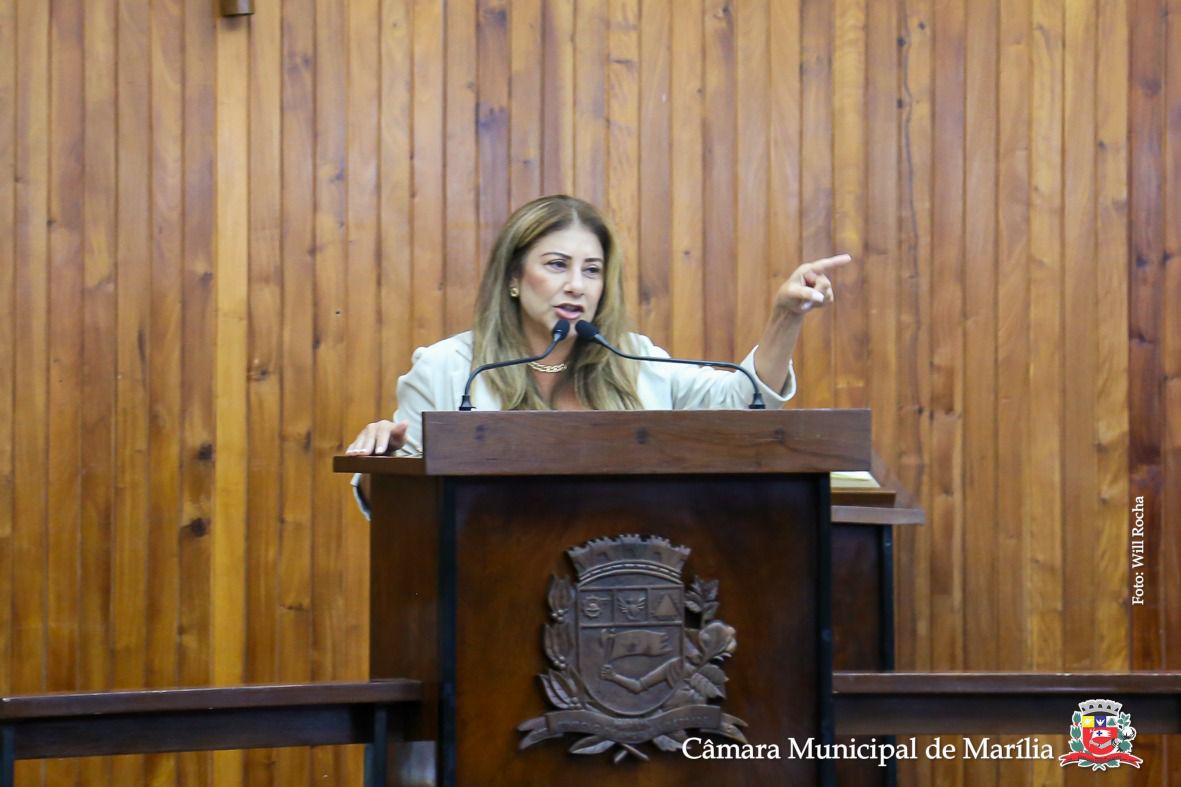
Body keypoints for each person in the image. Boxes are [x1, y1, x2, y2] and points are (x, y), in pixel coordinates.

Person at [346, 195, 849, 512]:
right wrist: (382, 465)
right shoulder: (447, 368)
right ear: (515, 279)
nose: (576, 285)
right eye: (557, 265)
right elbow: (396, 511)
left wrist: (785, 317)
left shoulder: (632, 359)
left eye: (591, 270)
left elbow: (743, 403)